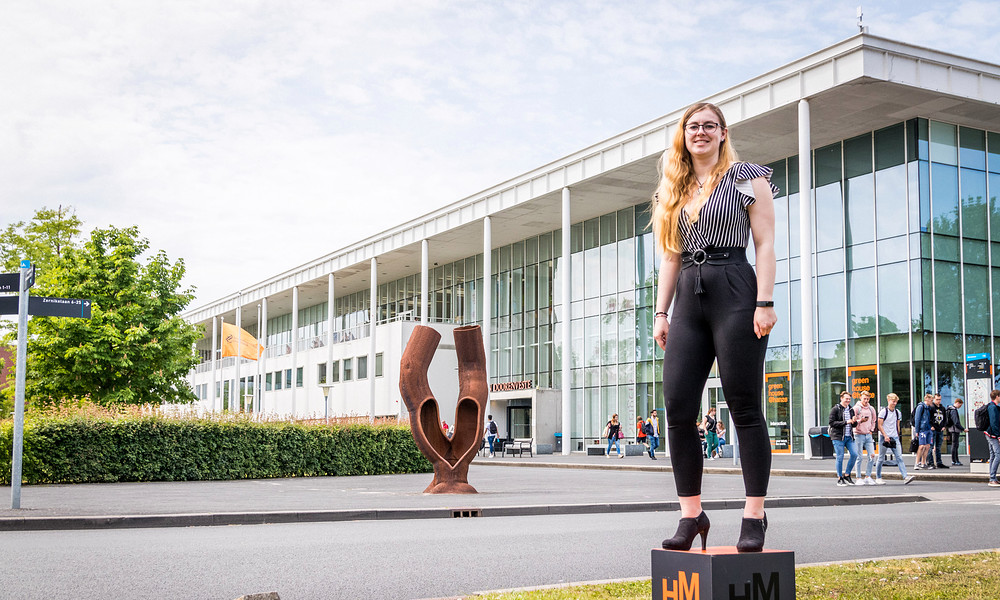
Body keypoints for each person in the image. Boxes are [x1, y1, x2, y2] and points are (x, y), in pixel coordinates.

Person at [652, 102, 778, 553]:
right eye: (693, 126)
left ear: (723, 133)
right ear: (683, 134)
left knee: (744, 405)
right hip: (688, 296)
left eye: (709, 125)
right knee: (677, 407)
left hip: (736, 290)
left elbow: (765, 243)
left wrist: (765, 302)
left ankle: (754, 515)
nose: (701, 132)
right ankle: (691, 515)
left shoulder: (747, 177)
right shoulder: (672, 189)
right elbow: (670, 257)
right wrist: (661, 313)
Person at [875, 393, 915, 485]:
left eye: (896, 402)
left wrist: (898, 435)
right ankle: (878, 477)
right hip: (884, 437)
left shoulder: (897, 412)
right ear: (888, 401)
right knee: (881, 458)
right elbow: (879, 425)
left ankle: (905, 476)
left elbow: (897, 425)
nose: (895, 403)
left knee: (899, 457)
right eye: (893, 401)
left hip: (894, 437)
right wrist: (885, 435)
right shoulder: (883, 412)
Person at [829, 391, 860, 486]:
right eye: (846, 399)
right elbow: (832, 423)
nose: (848, 400)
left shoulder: (851, 409)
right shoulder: (835, 409)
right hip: (838, 436)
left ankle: (847, 474)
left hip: (849, 436)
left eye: (849, 399)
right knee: (840, 457)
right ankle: (840, 478)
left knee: (854, 454)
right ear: (841, 398)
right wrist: (846, 422)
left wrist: (854, 421)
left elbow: (853, 425)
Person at [853, 391, 878, 485]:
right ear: (860, 398)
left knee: (872, 455)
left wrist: (871, 430)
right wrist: (861, 420)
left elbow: (874, 420)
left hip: (868, 435)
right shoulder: (856, 408)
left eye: (867, 399)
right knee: (859, 457)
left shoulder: (871, 409)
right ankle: (858, 477)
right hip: (858, 434)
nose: (866, 401)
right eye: (864, 399)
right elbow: (853, 421)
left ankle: (868, 476)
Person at [913, 394, 934, 469]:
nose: (932, 401)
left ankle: (923, 463)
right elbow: (917, 419)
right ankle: (917, 463)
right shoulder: (921, 407)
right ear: (927, 399)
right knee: (921, 446)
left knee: (927, 446)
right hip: (922, 429)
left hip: (928, 428)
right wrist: (917, 430)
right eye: (931, 400)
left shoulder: (928, 408)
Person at [930, 393, 949, 468]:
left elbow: (945, 418)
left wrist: (944, 426)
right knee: (931, 446)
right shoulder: (931, 407)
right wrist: (931, 426)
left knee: (938, 447)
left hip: (940, 429)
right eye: (937, 399)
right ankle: (931, 462)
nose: (938, 401)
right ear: (934, 399)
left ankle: (939, 462)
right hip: (933, 429)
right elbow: (929, 418)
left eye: (939, 399)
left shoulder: (942, 408)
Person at [986, 390, 1000, 487]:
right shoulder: (993, 407)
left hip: (989, 433)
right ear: (997, 396)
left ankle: (992, 477)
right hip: (992, 435)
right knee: (998, 455)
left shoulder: (991, 406)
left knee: (993, 455)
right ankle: (992, 478)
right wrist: (998, 436)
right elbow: (994, 422)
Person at [947, 398, 967, 466]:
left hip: (951, 429)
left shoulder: (950, 409)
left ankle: (954, 460)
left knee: (954, 444)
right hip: (954, 429)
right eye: (960, 405)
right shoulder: (953, 410)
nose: (960, 407)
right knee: (955, 445)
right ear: (958, 403)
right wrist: (963, 429)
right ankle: (955, 460)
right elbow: (956, 422)